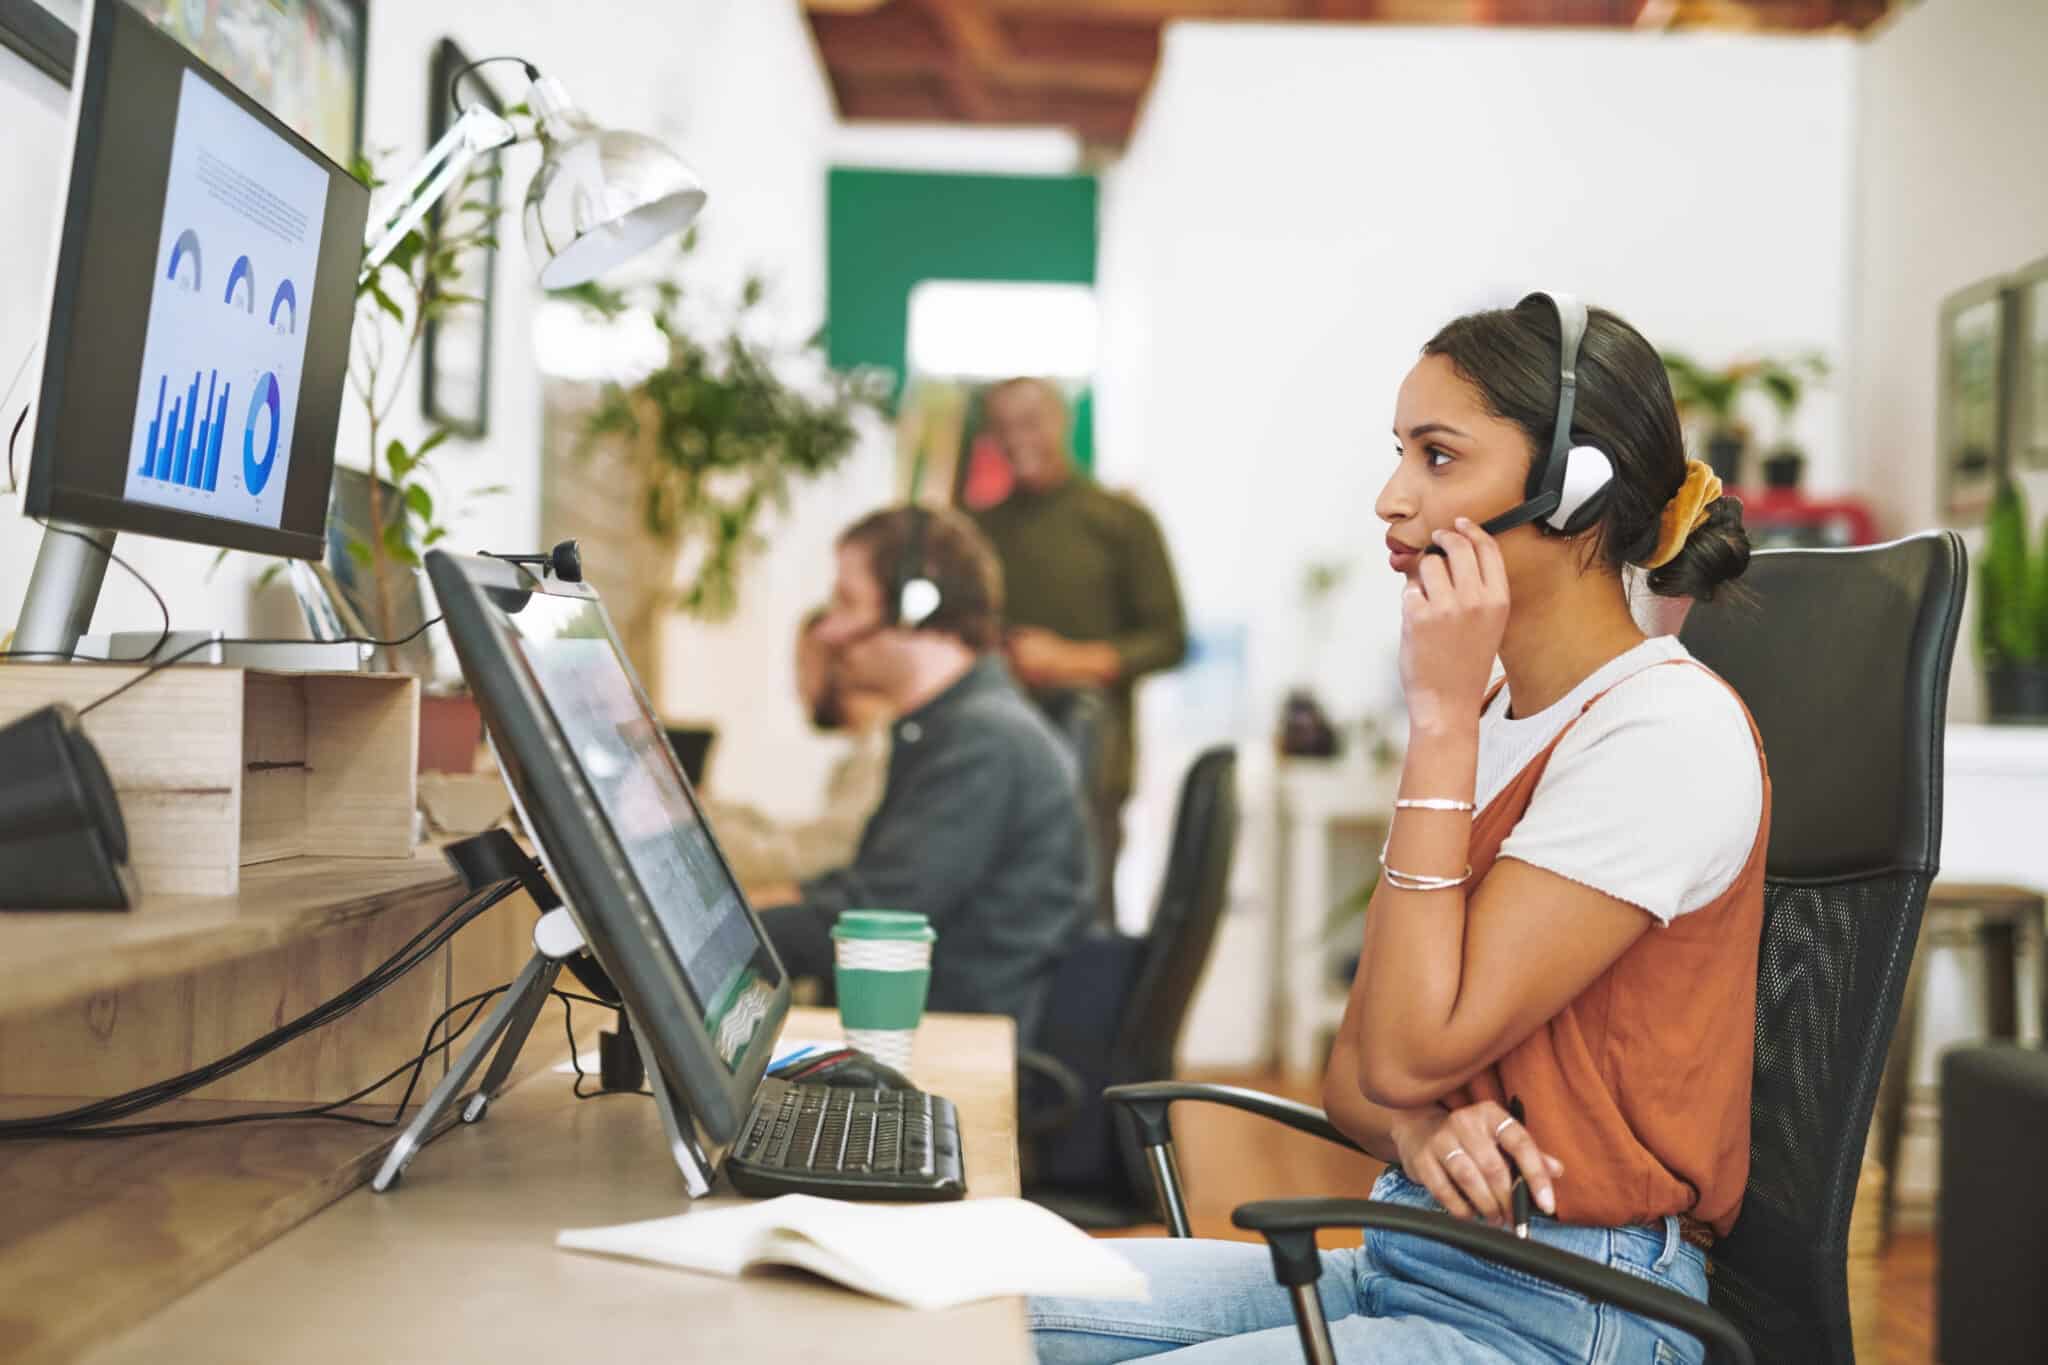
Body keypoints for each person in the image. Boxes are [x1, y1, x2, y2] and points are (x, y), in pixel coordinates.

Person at [1028, 294, 1768, 1364]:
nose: (1389, 498)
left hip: (1571, 1304)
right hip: (1409, 1252)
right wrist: (1421, 1130)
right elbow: (1360, 1071)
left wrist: (1433, 722)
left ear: (1571, 489)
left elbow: (1411, 1044)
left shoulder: (1659, 731)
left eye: (1435, 457)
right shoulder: (1488, 717)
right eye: (1399, 453)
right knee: (974, 1318)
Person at [750, 505, 1093, 1046]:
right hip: (927, 1033)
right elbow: (875, 885)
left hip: (955, 1048)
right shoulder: (948, 728)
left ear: (917, 607)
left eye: (847, 602)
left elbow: (871, 920)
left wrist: (705, 944)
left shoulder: (986, 743)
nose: (832, 631)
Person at [971, 377, 1187, 922]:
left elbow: (1169, 639)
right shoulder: (979, 529)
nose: (1017, 438)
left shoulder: (1122, 522)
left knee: (1084, 917)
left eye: (1030, 421)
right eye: (1003, 426)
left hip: (1095, 765)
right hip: (998, 760)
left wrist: (1072, 661)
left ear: (1062, 422)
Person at [698, 609, 893, 888]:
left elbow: (814, 858)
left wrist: (693, 831)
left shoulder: (879, 752)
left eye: (803, 666)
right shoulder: (865, 751)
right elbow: (810, 836)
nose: (797, 687)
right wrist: (712, 813)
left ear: (845, 662)